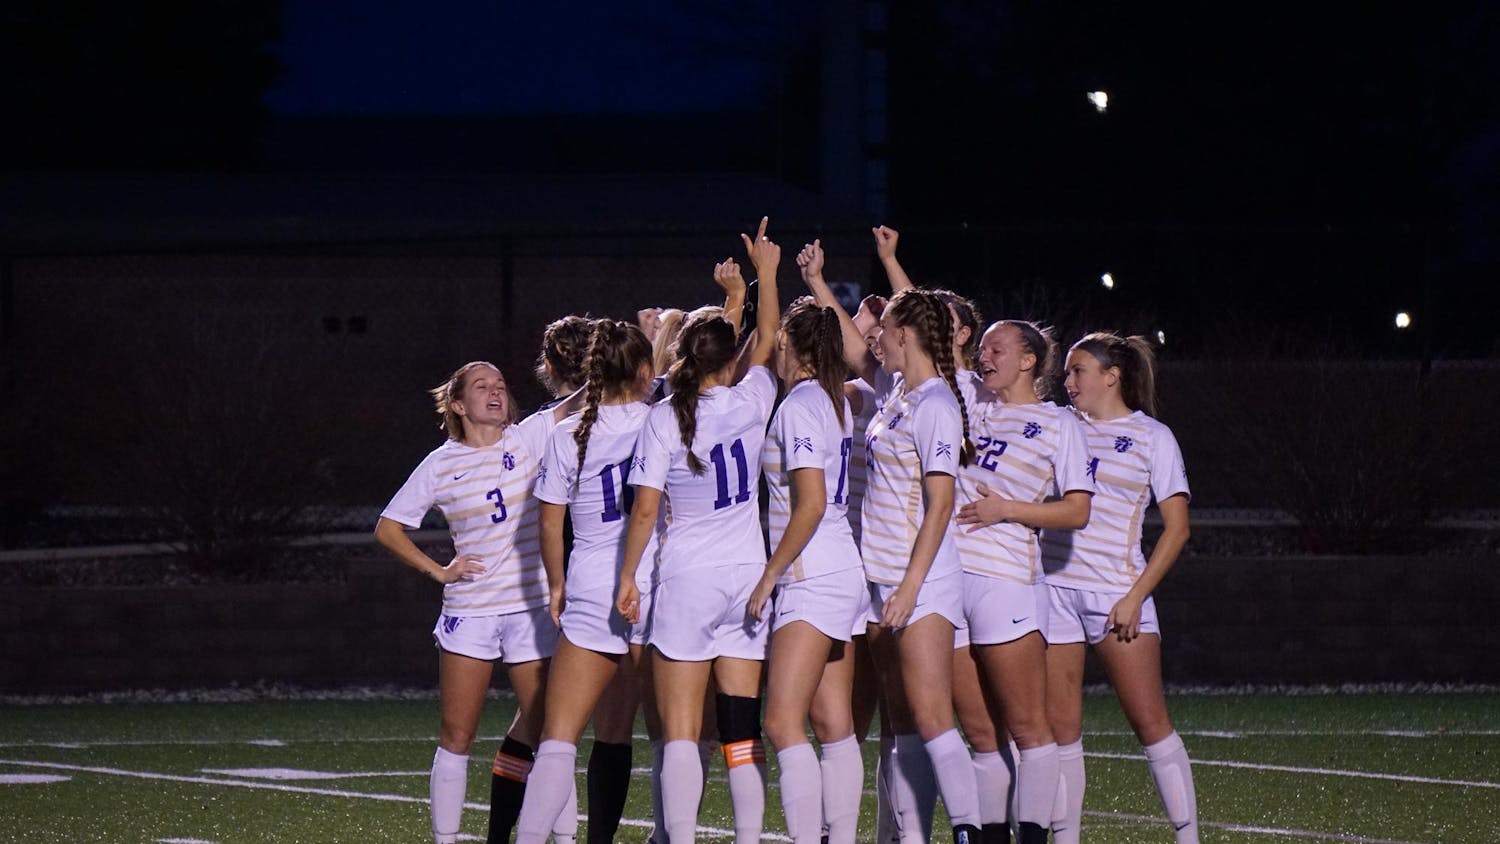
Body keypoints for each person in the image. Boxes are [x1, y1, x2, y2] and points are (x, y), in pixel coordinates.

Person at [616, 217, 782, 844]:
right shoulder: (752, 397)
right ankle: (748, 837)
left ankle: (679, 838)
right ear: (729, 361)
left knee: (681, 731)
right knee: (740, 728)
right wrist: (766, 273)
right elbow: (766, 337)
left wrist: (629, 575)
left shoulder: (664, 416)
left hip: (685, 580)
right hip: (745, 580)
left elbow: (646, 511)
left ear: (681, 356)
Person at [373, 362, 578, 844]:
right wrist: (439, 570)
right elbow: (388, 528)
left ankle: (565, 838)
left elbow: (595, 394)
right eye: (482, 387)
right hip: (471, 611)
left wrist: (645, 343)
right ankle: (446, 838)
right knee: (457, 736)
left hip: (529, 610)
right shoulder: (440, 463)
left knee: (552, 734)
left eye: (502, 386)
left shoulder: (528, 437)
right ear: (459, 405)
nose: (496, 392)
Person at [1041, 332, 1199, 844]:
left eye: (1078, 370)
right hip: (1053, 591)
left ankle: (1187, 835)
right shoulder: (1057, 425)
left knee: (1150, 723)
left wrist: (1134, 596)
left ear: (1112, 375)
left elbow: (1177, 529)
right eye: (1065, 372)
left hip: (1116, 594)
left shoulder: (1154, 437)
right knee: (1060, 732)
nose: (1067, 382)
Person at [514, 320, 659, 844]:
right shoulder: (661, 420)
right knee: (641, 735)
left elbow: (550, 523)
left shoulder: (564, 432)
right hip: (653, 584)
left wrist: (556, 585)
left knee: (558, 739)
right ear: (644, 371)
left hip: (592, 582)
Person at [951, 321, 1095, 844]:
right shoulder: (974, 403)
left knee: (1029, 729)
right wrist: (889, 261)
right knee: (981, 735)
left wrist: (1006, 510)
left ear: (1029, 360)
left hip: (1005, 579)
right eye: (982, 346)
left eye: (996, 348)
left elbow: (1077, 510)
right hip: (948, 582)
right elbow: (930, 330)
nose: (984, 356)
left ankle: (1037, 835)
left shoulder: (1060, 425)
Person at [746, 296, 866, 844]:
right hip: (841, 568)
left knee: (780, 723)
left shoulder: (800, 404)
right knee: (833, 724)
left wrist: (771, 574)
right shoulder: (833, 398)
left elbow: (811, 504)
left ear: (789, 343)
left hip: (811, 575)